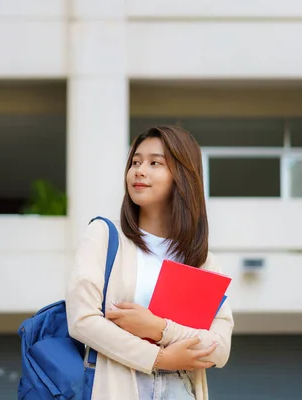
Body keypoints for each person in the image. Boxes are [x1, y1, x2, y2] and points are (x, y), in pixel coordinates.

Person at [66, 126, 234, 399]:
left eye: (154, 162)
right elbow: (82, 320)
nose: (139, 171)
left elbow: (220, 349)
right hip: (119, 387)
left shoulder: (202, 261)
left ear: (182, 175)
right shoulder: (106, 237)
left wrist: (158, 328)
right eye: (135, 162)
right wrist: (159, 358)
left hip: (182, 389)